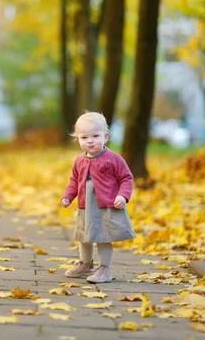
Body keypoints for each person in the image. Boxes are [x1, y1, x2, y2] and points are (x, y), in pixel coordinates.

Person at [61, 112, 136, 283]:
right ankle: (86, 264)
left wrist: (123, 196)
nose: (90, 141)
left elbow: (126, 178)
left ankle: (104, 269)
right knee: (84, 236)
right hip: (86, 207)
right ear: (78, 139)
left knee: (103, 237)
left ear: (106, 136)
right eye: (84, 137)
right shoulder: (79, 161)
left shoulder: (113, 159)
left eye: (96, 136)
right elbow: (74, 180)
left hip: (106, 206)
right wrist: (68, 196)